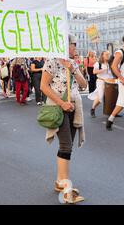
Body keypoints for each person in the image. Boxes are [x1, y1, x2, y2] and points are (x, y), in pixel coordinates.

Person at [40, 34, 88, 204]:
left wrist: (73, 69)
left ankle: (60, 181)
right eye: (73, 44)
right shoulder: (52, 61)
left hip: (74, 107)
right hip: (58, 107)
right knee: (66, 145)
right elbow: (43, 86)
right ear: (64, 45)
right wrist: (61, 103)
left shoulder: (73, 62)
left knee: (66, 147)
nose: (75, 46)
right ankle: (66, 190)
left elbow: (84, 85)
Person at [89, 51, 113, 117]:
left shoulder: (111, 63)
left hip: (110, 82)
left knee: (111, 97)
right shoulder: (98, 63)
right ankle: (93, 109)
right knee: (100, 97)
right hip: (101, 81)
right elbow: (94, 72)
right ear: (102, 55)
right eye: (106, 54)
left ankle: (111, 112)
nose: (108, 55)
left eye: (108, 54)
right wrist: (103, 70)